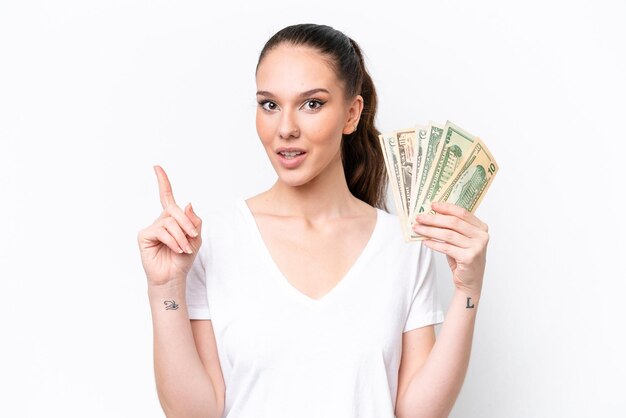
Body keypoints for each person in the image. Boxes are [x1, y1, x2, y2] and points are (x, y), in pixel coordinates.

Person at [137, 23, 490, 418]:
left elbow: (418, 412)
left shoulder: (402, 245)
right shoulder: (215, 241)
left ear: (352, 114)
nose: (285, 129)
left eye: (312, 104)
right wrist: (165, 289)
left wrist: (467, 293)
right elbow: (195, 413)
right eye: (269, 104)